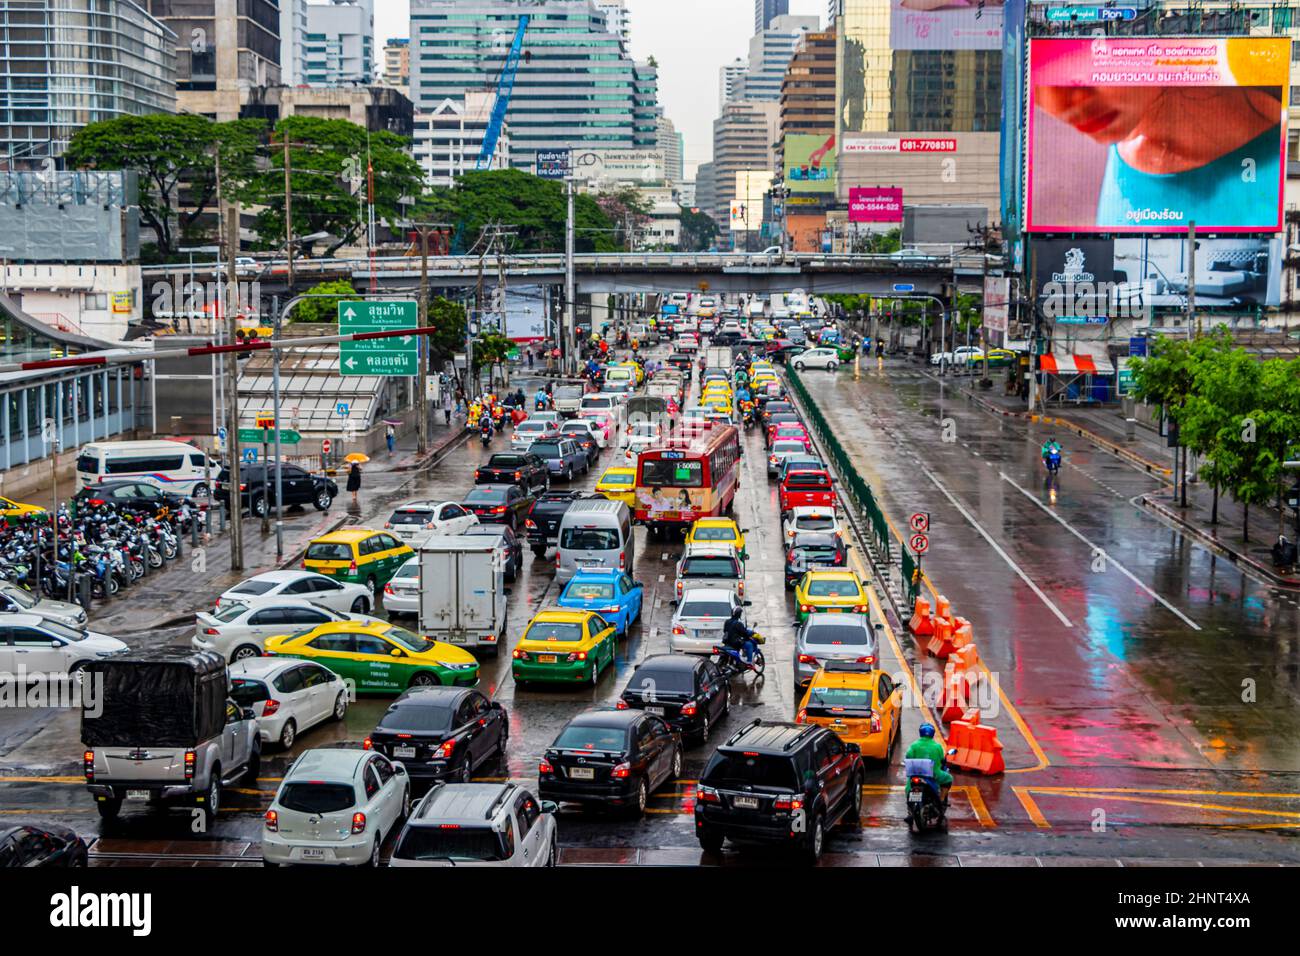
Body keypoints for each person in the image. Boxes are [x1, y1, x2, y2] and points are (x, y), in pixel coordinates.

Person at [1033, 80, 1282, 230]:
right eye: (1034, 78)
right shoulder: (1123, 126)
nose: (1059, 103)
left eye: (1077, 58)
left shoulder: (1277, 173)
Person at [904, 723, 952, 803]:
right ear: (933, 733)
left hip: (916, 773)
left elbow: (908, 755)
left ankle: (910, 807)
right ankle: (941, 799)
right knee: (949, 778)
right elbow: (942, 759)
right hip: (934, 774)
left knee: (909, 785)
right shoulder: (937, 746)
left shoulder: (914, 745)